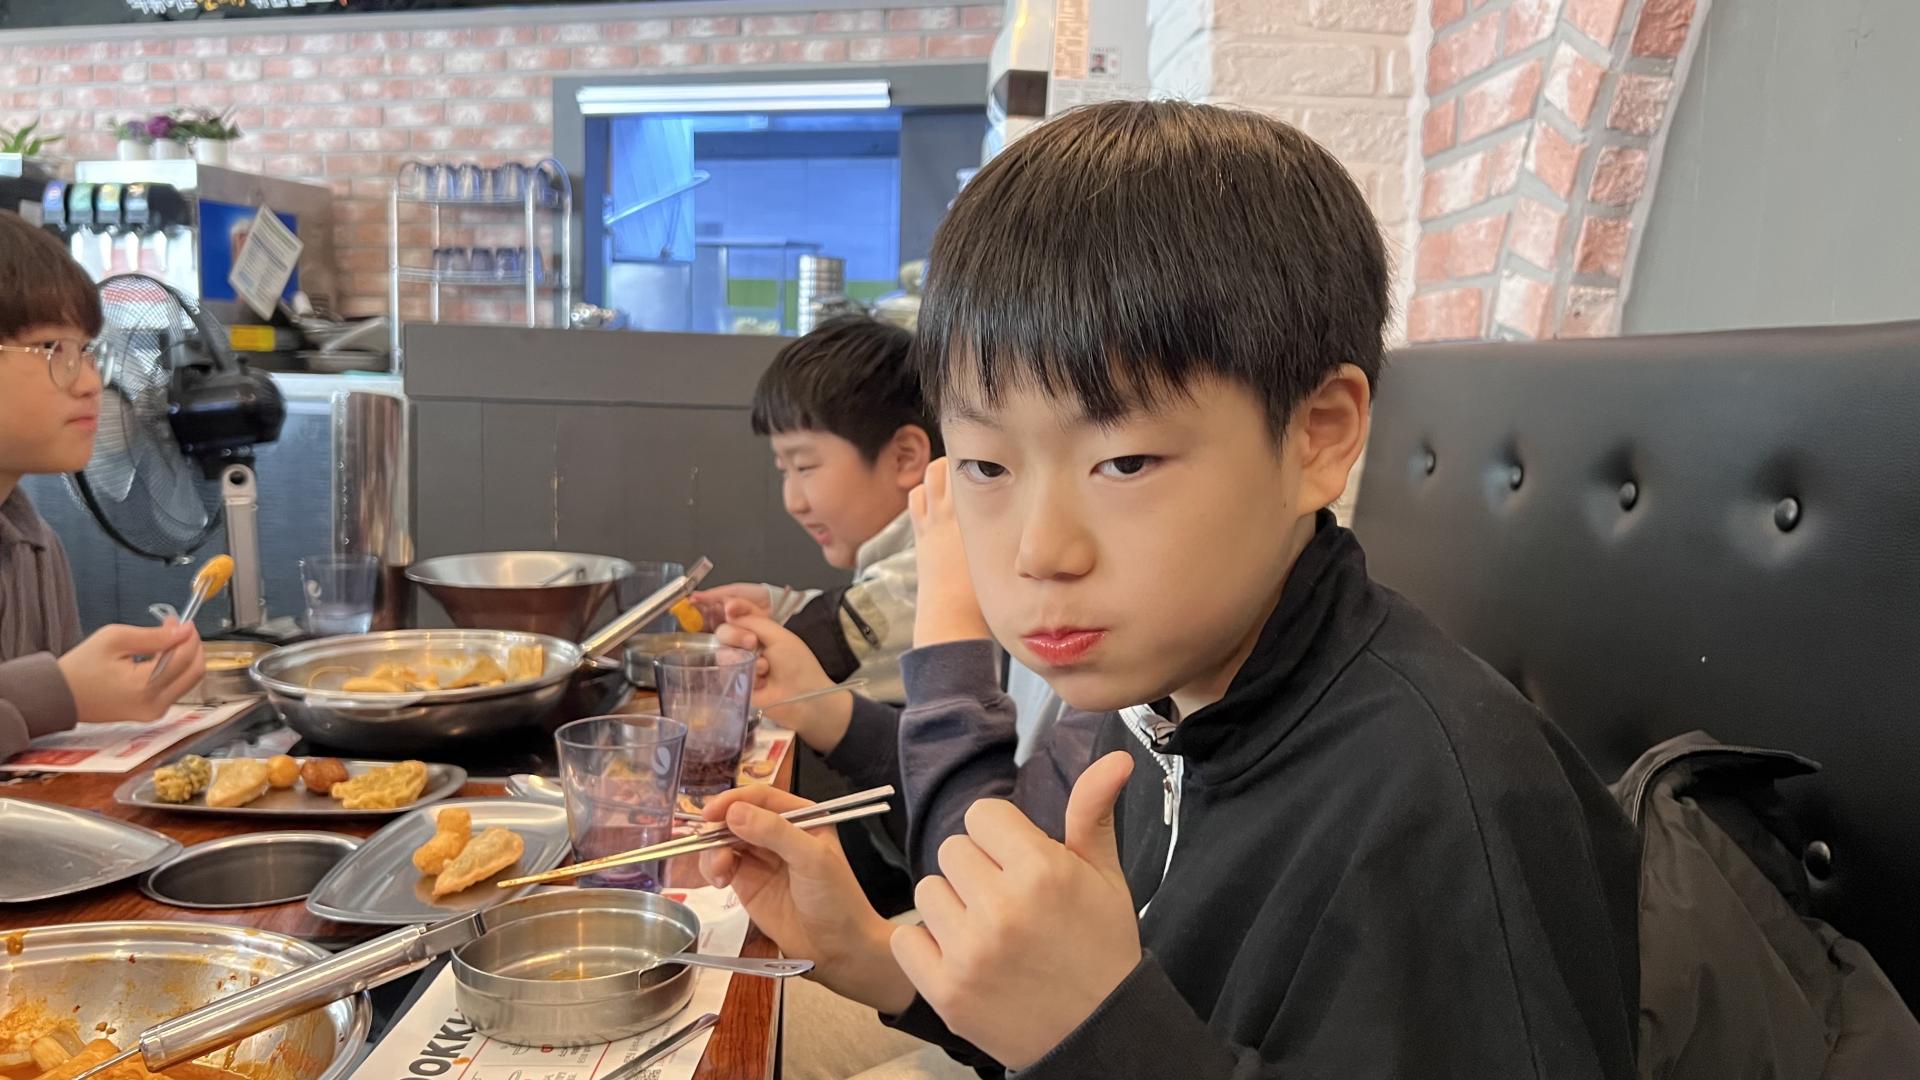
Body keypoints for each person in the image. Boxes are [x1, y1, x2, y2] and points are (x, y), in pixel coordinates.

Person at [697, 100, 1641, 1079]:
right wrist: (873, 956)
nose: (1039, 553)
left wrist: (1097, 1032)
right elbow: (1086, 1002)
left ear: (1317, 436)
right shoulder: (1159, 695)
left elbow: (1110, 1027)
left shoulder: (1449, 803)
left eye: (1125, 461)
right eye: (985, 466)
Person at [0, 212, 205, 759]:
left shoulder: (33, 546)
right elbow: (54, 702)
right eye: (52, 349)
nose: (92, 383)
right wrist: (58, 693)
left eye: (87, 351)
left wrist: (104, 691)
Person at [690, 314, 937, 705]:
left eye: (804, 466)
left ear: (904, 457)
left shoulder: (932, 571)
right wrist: (781, 607)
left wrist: (757, 638)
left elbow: (798, 660)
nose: (794, 502)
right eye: (784, 470)